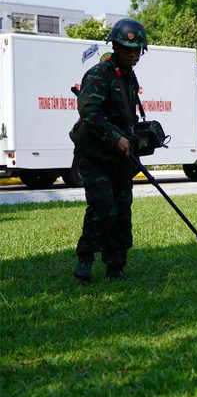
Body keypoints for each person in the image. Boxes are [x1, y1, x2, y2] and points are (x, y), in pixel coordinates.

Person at [70, 18, 150, 282]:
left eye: (137, 49)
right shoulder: (98, 74)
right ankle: (85, 259)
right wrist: (115, 137)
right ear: (115, 46)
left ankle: (116, 266)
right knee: (102, 204)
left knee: (122, 207)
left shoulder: (129, 77)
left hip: (119, 156)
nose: (132, 53)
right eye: (127, 48)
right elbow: (89, 111)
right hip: (93, 152)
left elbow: (125, 117)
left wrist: (135, 138)